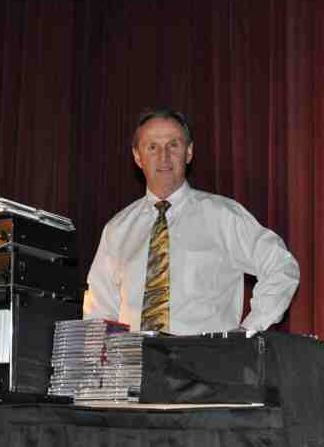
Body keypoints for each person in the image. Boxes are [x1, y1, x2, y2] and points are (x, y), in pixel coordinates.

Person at [83, 108, 300, 335]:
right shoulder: (117, 230)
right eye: (152, 147)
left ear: (189, 152)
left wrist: (247, 332)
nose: (163, 156)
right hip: (134, 356)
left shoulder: (223, 216)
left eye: (173, 145)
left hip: (204, 357)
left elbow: (281, 266)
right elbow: (99, 312)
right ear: (138, 157)